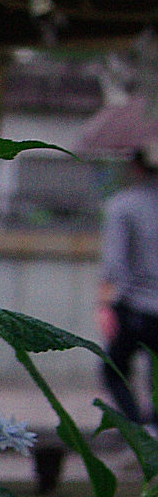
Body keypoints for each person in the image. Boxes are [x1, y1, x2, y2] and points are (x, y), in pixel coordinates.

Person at [99, 146, 158, 423]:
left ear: (136, 168)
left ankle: (137, 427)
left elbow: (114, 263)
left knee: (114, 371)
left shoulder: (123, 204)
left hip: (134, 306)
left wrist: (104, 305)